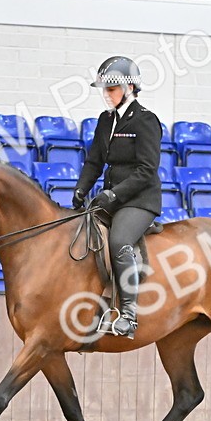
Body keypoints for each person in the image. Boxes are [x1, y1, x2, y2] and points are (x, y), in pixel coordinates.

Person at [72, 56, 163, 339]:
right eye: (104, 90)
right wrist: (81, 189)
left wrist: (113, 193)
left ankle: (128, 316)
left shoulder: (146, 120)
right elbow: (94, 161)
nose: (106, 94)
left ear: (130, 87)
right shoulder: (105, 120)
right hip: (111, 197)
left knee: (120, 240)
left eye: (111, 89)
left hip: (139, 198)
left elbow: (147, 170)